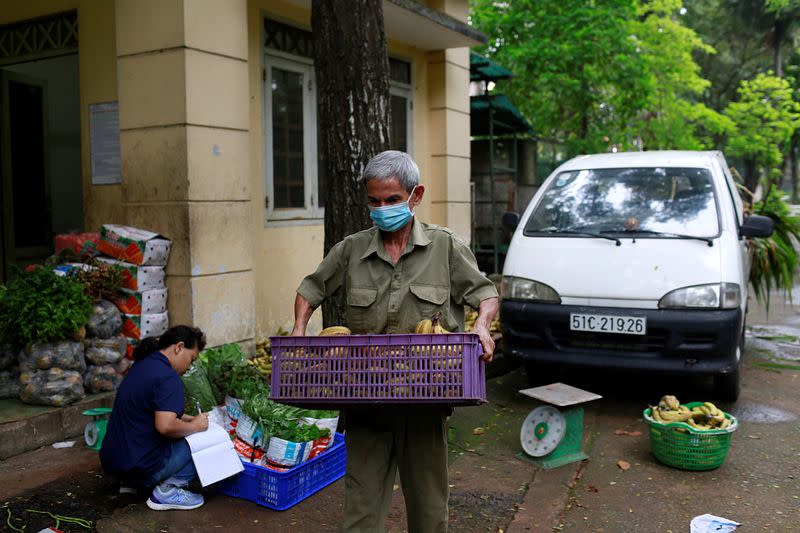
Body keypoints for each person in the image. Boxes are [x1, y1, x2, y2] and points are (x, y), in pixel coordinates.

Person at [291, 150, 499, 532]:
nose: (382, 208)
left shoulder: (445, 247)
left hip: (427, 398)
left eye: (391, 200)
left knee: (430, 509)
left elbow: (486, 293)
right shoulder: (351, 250)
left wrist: (483, 325)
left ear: (415, 196)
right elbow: (311, 288)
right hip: (364, 398)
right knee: (361, 511)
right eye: (374, 201)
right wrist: (299, 329)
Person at [99, 325, 209, 511]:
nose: (189, 366)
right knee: (202, 439)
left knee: (186, 428)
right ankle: (168, 490)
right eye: (191, 359)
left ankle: (131, 484)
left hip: (116, 463)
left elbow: (149, 409)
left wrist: (189, 419)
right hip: (142, 467)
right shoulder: (168, 377)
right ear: (179, 347)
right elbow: (165, 426)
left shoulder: (143, 365)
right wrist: (196, 426)